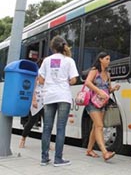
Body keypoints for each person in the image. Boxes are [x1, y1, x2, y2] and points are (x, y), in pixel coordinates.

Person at [38, 36, 79, 167]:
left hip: (49, 96)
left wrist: (51, 82)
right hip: (63, 96)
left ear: (53, 47)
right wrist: (63, 82)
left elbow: (40, 80)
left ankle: (44, 159)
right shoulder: (69, 61)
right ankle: (58, 159)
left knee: (47, 128)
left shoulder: (46, 61)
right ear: (64, 46)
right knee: (60, 128)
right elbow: (73, 80)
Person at [84, 51, 120, 161]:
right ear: (100, 59)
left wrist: (113, 89)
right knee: (99, 126)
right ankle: (105, 152)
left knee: (96, 127)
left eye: (109, 59)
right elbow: (87, 82)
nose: (109, 61)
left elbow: (108, 89)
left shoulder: (108, 74)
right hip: (92, 102)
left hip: (103, 103)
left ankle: (89, 150)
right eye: (107, 59)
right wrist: (98, 91)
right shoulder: (94, 71)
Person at [19, 58, 44, 148]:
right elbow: (33, 87)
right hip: (37, 99)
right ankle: (23, 138)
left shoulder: (50, 74)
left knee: (47, 123)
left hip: (46, 100)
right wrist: (33, 100)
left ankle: (47, 143)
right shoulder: (37, 73)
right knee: (32, 120)